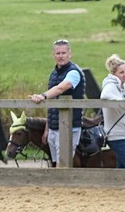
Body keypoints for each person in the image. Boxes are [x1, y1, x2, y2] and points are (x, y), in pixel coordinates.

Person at [29, 38, 84, 167]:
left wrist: (43, 95)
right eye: (58, 53)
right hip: (54, 127)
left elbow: (61, 88)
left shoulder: (74, 72)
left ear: (70, 54)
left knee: (63, 165)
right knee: (55, 164)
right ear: (53, 55)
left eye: (63, 53)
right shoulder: (54, 74)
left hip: (69, 126)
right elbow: (52, 104)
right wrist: (47, 129)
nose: (61, 56)